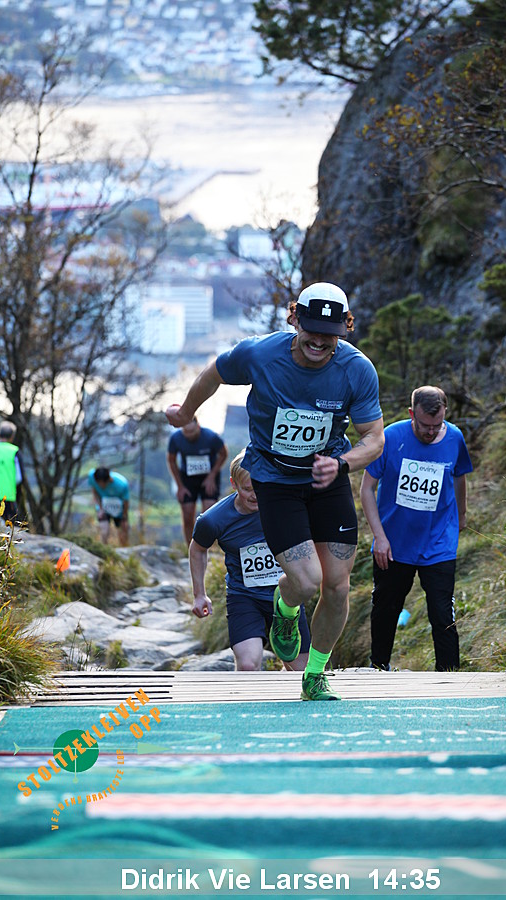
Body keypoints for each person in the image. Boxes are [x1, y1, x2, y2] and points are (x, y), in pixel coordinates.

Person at [166, 282, 385, 701]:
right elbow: (214, 373)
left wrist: (341, 463)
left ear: (346, 326)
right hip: (276, 480)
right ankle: (285, 610)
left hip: (327, 477)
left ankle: (314, 676)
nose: (319, 341)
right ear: (294, 317)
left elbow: (374, 438)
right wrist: (186, 412)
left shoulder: (357, 369)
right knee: (306, 581)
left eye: (330, 333)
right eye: (312, 330)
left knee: (337, 587)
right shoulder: (259, 354)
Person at [360, 385, 473, 672]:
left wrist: (461, 516)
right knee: (386, 608)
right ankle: (379, 667)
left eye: (437, 424)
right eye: (425, 425)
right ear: (412, 414)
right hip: (394, 543)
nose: (431, 431)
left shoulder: (455, 437)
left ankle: (449, 676)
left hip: (439, 542)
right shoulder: (390, 437)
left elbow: (460, 476)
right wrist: (379, 537)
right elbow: (366, 489)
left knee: (442, 613)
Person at [189, 450, 310, 671]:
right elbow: (197, 549)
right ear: (233, 484)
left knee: (300, 671)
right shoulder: (213, 520)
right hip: (244, 596)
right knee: (247, 666)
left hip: (286, 597)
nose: (255, 496)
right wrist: (199, 594)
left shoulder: (286, 506)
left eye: (260, 488)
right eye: (247, 489)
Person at [167, 417, 228, 547]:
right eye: (186, 433)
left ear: (198, 427)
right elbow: (171, 460)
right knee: (187, 515)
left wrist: (212, 476)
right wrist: (180, 486)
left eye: (192, 432)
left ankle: (207, 548)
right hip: (188, 478)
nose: (189, 436)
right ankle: (191, 549)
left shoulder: (211, 437)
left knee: (208, 516)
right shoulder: (176, 438)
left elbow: (223, 454)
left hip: (209, 477)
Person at [88, 466, 130, 547]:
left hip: (119, 510)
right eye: (98, 484)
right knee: (104, 530)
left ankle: (124, 550)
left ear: (108, 480)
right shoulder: (92, 476)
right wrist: (100, 508)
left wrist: (124, 517)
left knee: (123, 531)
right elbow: (94, 491)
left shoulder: (122, 484)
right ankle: (103, 549)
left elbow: (126, 501)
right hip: (103, 507)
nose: (100, 486)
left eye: (102, 484)